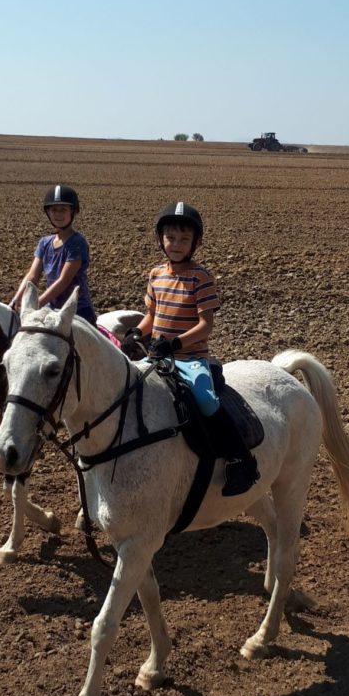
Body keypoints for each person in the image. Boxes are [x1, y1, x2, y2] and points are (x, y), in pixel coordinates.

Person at [120, 201, 258, 496]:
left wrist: (176, 343)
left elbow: (205, 325)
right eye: (171, 238)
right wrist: (135, 333)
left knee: (207, 402)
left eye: (184, 239)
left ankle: (241, 460)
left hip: (190, 358)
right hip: (157, 357)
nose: (176, 244)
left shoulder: (201, 278)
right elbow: (151, 318)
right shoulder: (156, 275)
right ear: (161, 240)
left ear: (196, 242)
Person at [9, 185, 96, 324]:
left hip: (76, 311)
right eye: (54, 210)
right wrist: (17, 300)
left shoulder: (77, 243)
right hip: (51, 308)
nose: (58, 214)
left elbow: (64, 281)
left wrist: (36, 305)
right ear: (48, 212)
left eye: (63, 209)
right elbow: (32, 276)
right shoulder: (44, 243)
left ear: (73, 211)